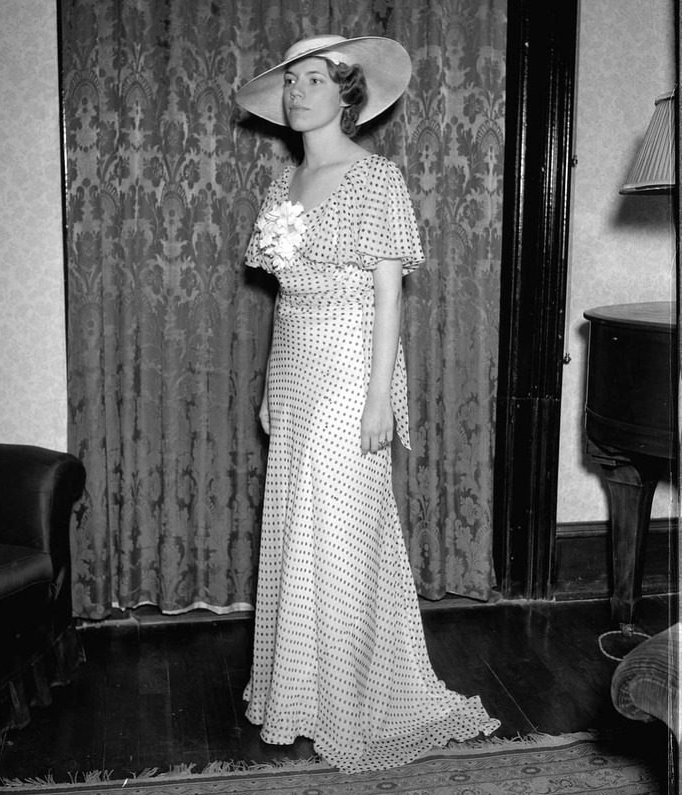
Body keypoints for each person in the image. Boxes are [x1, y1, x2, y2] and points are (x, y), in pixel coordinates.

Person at [235, 34, 500, 773]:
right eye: (291, 81)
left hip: (353, 366)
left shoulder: (377, 178)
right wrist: (270, 384)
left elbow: (389, 297)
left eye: (314, 80)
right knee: (297, 526)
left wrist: (381, 396)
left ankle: (350, 703)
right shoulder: (282, 184)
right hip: (295, 370)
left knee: (344, 532)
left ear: (347, 93)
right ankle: (300, 695)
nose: (297, 92)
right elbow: (284, 301)